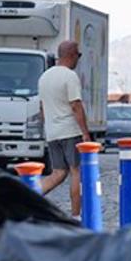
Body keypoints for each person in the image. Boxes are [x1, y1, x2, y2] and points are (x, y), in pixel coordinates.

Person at [38, 40, 91, 218]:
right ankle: (76, 216)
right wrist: (85, 133)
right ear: (72, 55)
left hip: (52, 132)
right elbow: (75, 105)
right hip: (70, 130)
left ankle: (27, 196)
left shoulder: (44, 77)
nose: (79, 59)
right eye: (79, 55)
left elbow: (42, 107)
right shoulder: (69, 76)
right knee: (76, 171)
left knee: (58, 173)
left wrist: (49, 127)